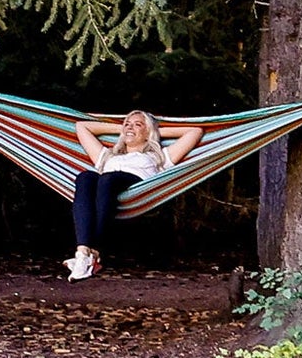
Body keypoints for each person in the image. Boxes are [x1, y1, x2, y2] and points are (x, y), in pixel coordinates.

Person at [65, 109, 202, 281]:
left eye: (138, 124)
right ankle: (83, 253)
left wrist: (152, 133)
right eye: (127, 124)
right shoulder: (107, 155)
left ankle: (96, 251)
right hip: (106, 189)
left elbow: (195, 132)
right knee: (85, 177)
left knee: (107, 179)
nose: (130, 127)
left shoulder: (159, 156)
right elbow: (81, 127)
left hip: (135, 186)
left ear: (148, 132)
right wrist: (124, 131)